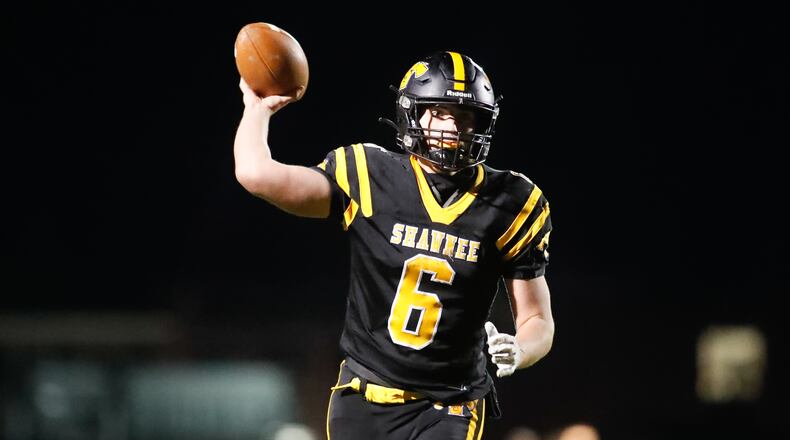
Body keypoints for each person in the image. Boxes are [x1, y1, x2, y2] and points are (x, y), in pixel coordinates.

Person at [233, 51, 555, 440]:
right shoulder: (369, 175)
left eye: (465, 115)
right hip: (363, 395)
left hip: (449, 404)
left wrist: (520, 350)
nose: (452, 126)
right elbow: (256, 173)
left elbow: (537, 320)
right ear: (412, 114)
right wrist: (257, 108)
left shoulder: (513, 201)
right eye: (439, 111)